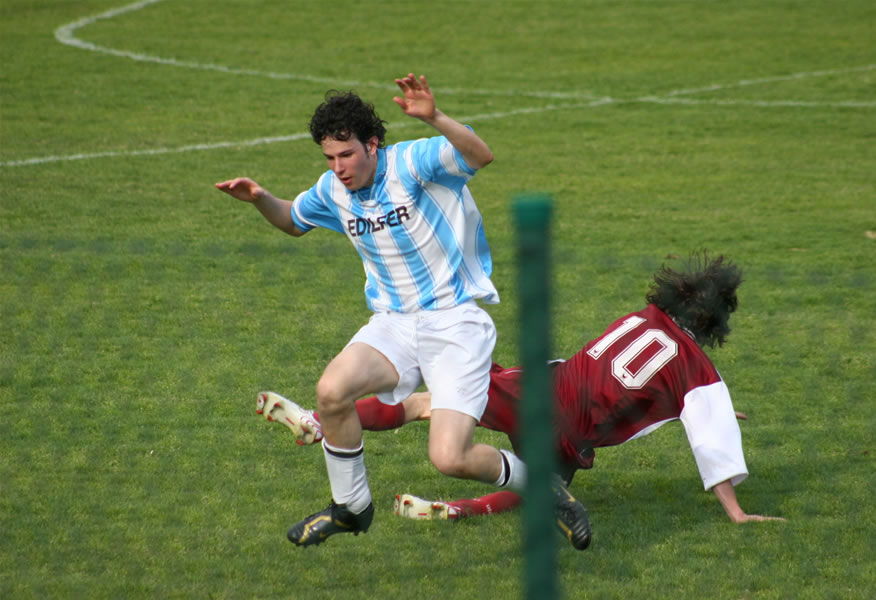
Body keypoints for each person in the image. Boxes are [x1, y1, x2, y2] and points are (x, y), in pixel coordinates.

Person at [218, 73, 591, 550]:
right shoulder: (333, 190)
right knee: (332, 392)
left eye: (347, 154)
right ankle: (351, 508)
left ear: (372, 144)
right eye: (330, 158)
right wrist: (259, 199)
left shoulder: (411, 162)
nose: (339, 168)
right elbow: (293, 221)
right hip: (394, 324)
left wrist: (434, 116)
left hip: (454, 323)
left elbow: (480, 155)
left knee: (450, 458)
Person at [259, 253, 786, 527]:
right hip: (570, 433)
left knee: (427, 402)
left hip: (541, 388)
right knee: (540, 487)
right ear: (715, 322)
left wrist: (709, 409)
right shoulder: (698, 369)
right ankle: (458, 510)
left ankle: (316, 419)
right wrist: (735, 509)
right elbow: (706, 435)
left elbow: (620, 369)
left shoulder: (642, 316)